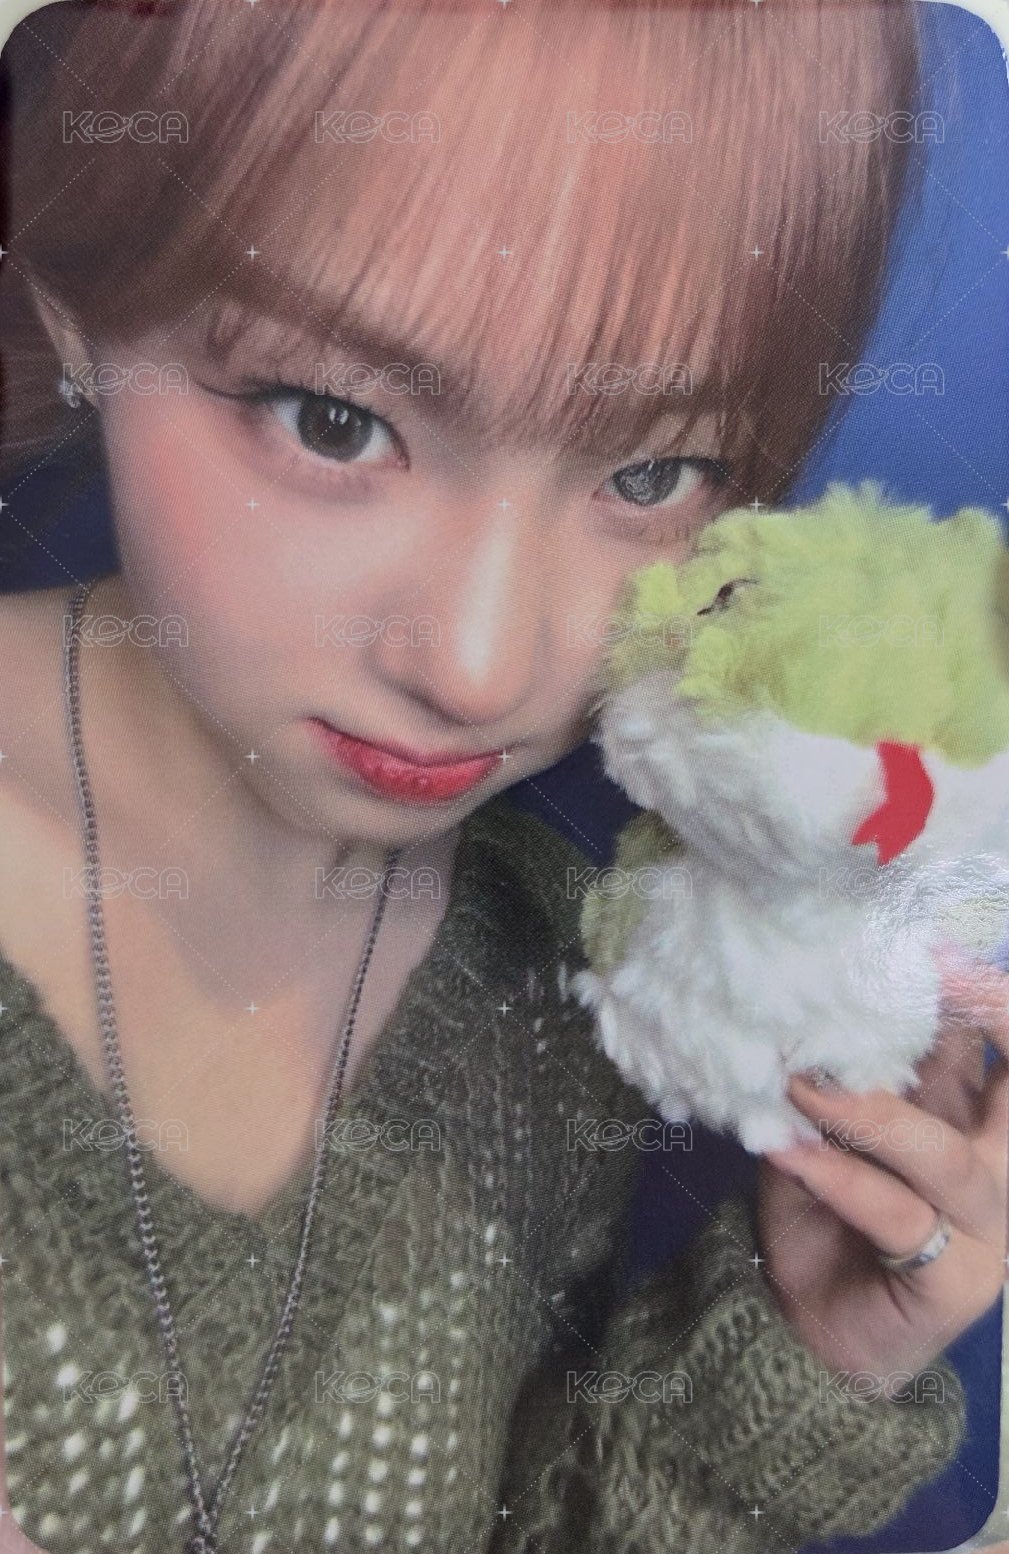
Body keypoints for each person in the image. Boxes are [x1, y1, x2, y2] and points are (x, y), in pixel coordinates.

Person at [0, 0, 1004, 1550]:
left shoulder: (558, 997)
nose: (479, 667)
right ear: (78, 313)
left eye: (650, 472)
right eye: (333, 419)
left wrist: (789, 1374)